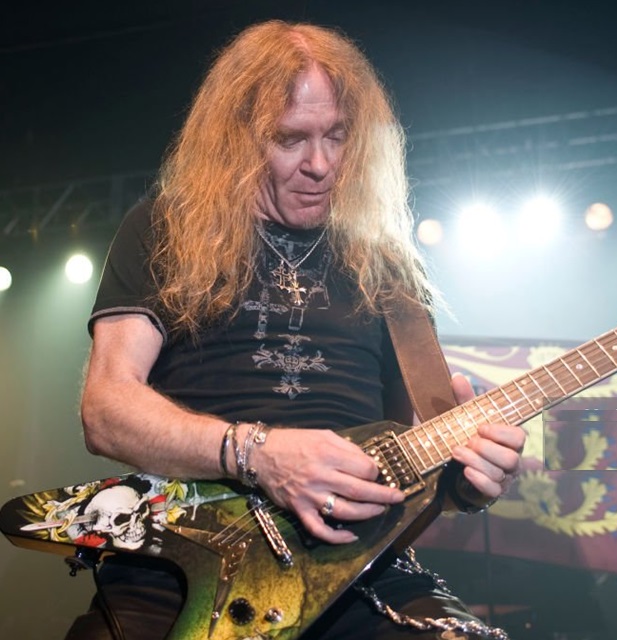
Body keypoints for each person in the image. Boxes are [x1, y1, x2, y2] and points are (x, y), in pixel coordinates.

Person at [68, 19, 525, 640]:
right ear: (235, 139)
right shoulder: (165, 228)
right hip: (185, 561)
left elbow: (415, 462)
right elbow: (106, 409)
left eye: (337, 136)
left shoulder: (388, 269)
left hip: (359, 571)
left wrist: (471, 479)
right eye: (290, 139)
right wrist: (259, 454)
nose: (321, 164)